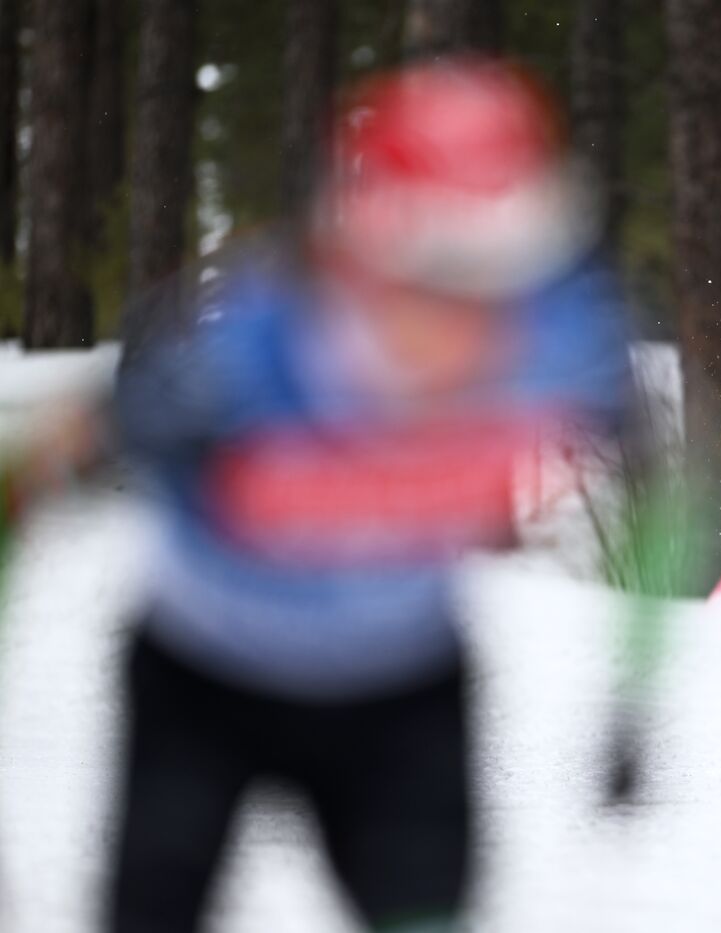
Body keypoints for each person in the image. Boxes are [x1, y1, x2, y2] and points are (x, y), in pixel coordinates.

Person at [105, 59, 632, 931]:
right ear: (358, 243)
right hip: (203, 683)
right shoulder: (238, 346)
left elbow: (683, 475)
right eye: (433, 274)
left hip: (404, 691)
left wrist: (635, 702)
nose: (469, 317)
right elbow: (42, 475)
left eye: (502, 274)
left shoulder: (563, 333)